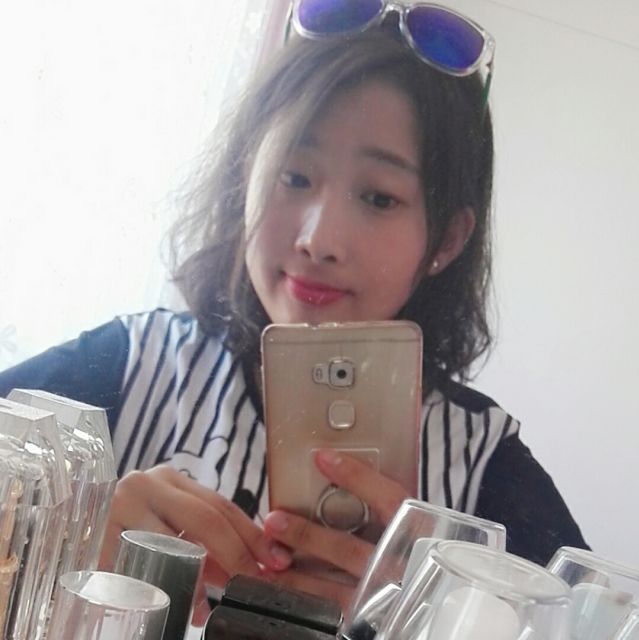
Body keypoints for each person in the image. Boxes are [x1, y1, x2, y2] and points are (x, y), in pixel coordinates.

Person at [0, 0, 587, 618]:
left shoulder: (483, 459)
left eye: (379, 197)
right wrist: (59, 541)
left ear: (446, 239)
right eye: (295, 176)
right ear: (247, 174)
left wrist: (432, 621)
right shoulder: (135, 362)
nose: (318, 239)